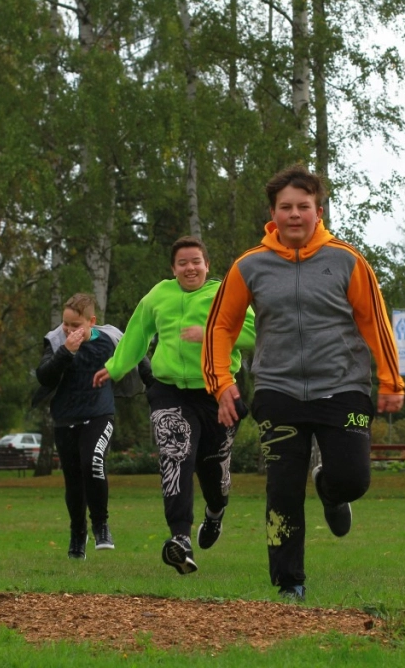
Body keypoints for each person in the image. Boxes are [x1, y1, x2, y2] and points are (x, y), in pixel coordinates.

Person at [202, 164, 405, 600]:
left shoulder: (347, 260)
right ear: (273, 214)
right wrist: (221, 382)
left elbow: (375, 322)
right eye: (286, 207)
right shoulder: (249, 266)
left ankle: (331, 491)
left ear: (318, 211)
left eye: (304, 206)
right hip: (278, 391)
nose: (295, 214)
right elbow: (221, 326)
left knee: (353, 479)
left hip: (344, 387)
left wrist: (391, 381)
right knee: (282, 489)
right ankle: (289, 582)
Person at [93, 236, 255, 575]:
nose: (190, 268)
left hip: (216, 393)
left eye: (196, 261)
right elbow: (137, 334)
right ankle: (180, 538)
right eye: (182, 263)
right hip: (170, 392)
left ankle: (215, 512)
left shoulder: (224, 294)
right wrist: (115, 368)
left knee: (214, 471)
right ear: (173, 268)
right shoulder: (159, 295)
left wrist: (210, 332)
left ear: (207, 265)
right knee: (176, 456)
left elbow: (253, 334)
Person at [35, 293, 121, 559]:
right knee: (73, 481)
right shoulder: (56, 341)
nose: (69, 330)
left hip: (99, 414)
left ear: (91, 322)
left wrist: (154, 386)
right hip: (66, 419)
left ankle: (101, 526)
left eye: (76, 325)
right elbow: (43, 376)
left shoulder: (110, 339)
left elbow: (137, 358)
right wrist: (66, 352)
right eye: (66, 324)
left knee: (93, 461)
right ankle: (77, 533)